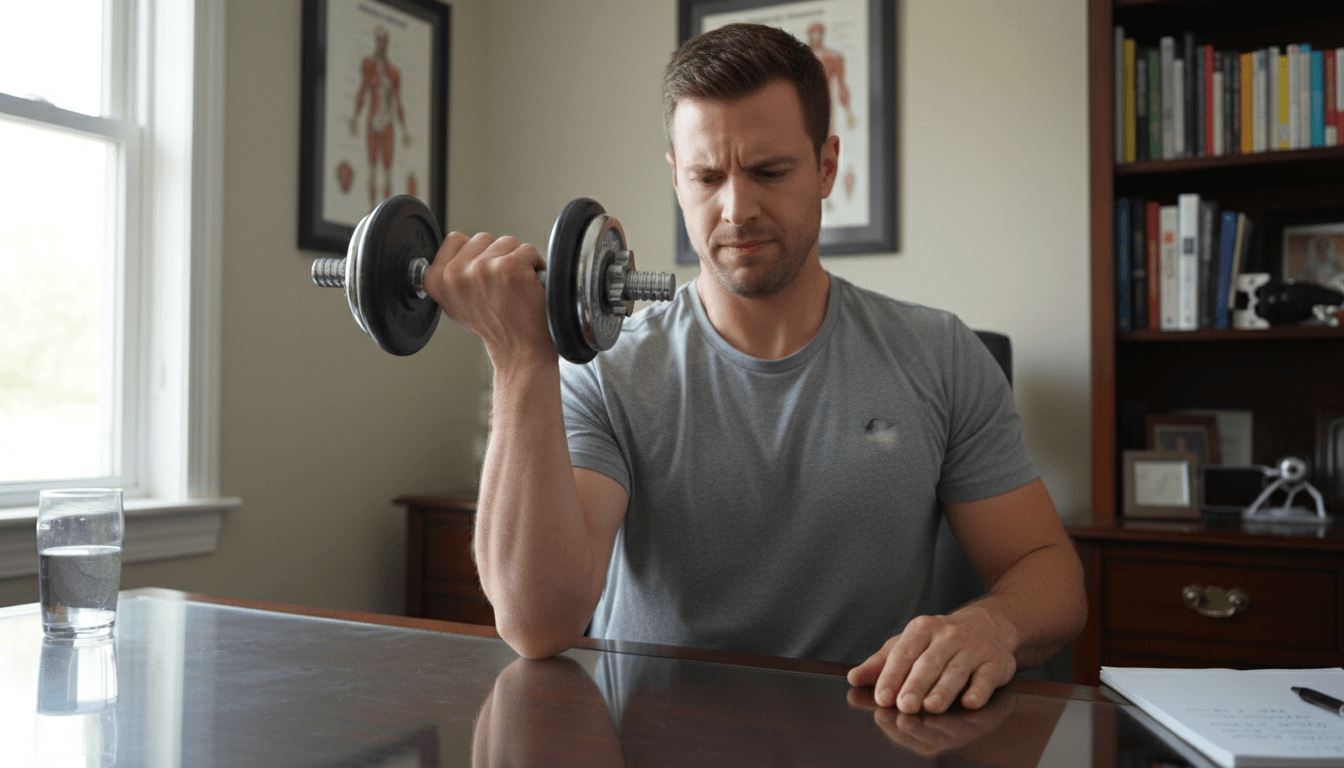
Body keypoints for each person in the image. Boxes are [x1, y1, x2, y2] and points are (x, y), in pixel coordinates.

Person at [422, 23, 1086, 715]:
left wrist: (991, 624)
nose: (737, 209)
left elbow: (1050, 575)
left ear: (826, 167)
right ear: (676, 175)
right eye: (708, 177)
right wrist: (520, 358)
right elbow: (537, 624)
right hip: (655, 746)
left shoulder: (941, 354)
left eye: (769, 172)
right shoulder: (609, 367)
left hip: (867, 739)